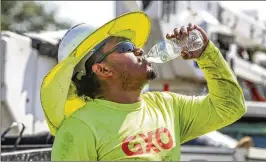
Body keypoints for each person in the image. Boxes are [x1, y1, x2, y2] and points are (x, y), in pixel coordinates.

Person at [40, 12, 246, 161]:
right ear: (102, 70)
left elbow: (230, 107)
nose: (139, 49)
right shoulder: (79, 129)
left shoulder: (166, 105)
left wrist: (206, 54)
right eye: (125, 47)